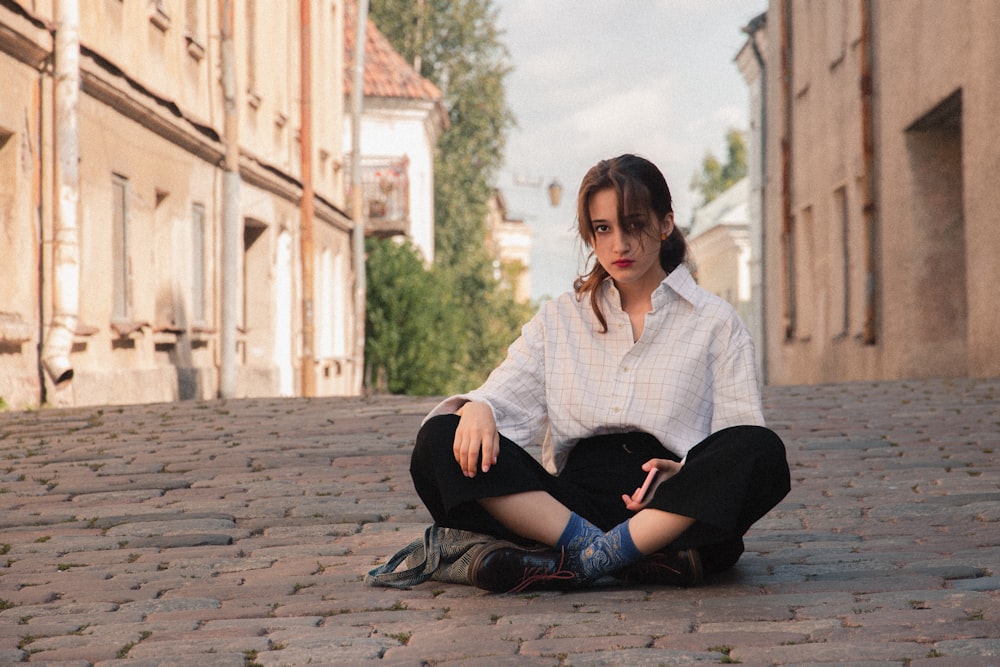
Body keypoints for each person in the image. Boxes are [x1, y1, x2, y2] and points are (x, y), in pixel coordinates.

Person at [409, 154, 790, 593]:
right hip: (567, 509)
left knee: (759, 448)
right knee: (440, 437)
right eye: (603, 229)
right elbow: (502, 398)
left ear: (665, 223)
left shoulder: (716, 323)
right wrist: (478, 408)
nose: (619, 245)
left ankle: (581, 563)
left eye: (634, 224)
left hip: (666, 507)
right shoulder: (559, 319)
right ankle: (610, 555)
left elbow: (735, 440)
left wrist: (683, 471)